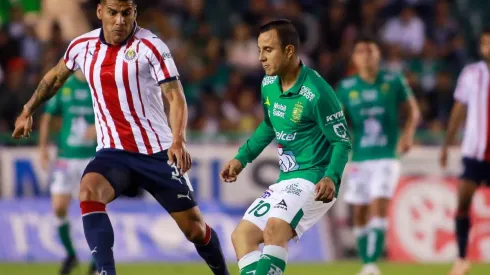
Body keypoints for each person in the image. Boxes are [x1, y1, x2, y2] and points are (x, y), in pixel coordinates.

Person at [12, 1, 229, 275]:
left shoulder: (152, 46)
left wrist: (178, 141)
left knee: (195, 230)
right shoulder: (82, 46)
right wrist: (28, 109)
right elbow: (55, 77)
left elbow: (175, 97)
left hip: (157, 153)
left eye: (126, 13)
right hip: (113, 153)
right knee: (89, 190)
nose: (119, 20)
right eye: (113, 12)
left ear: (134, 12)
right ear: (100, 11)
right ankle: (105, 271)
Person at [220, 19, 352, 275]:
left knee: (274, 230)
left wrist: (331, 177)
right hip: (286, 179)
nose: (261, 58)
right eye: (259, 50)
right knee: (242, 236)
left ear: (289, 51)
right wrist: (241, 158)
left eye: (268, 50)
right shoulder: (269, 84)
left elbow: (341, 140)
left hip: (314, 178)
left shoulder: (317, 91)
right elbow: (269, 126)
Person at [337, 36, 420, 275]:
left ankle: (372, 263)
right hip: (360, 157)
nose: (366, 55)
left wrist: (408, 135)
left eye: (370, 51)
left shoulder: (393, 81)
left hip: (387, 155)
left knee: (379, 203)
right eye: (360, 51)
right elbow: (334, 119)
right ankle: (366, 263)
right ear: (354, 58)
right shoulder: (347, 87)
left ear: (378, 56)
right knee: (359, 210)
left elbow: (412, 111)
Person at [440, 27, 490, 275]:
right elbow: (458, 110)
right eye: (484, 44)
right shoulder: (471, 74)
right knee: (463, 203)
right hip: (474, 153)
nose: (487, 48)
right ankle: (461, 259)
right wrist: (447, 144)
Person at [39, 70, 98, 275]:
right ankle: (71, 255)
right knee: (59, 207)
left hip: (91, 157)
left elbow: (115, 115)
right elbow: (48, 115)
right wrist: (43, 147)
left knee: (91, 209)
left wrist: (98, 128)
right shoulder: (65, 86)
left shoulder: (97, 85)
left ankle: (96, 259)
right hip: (66, 157)